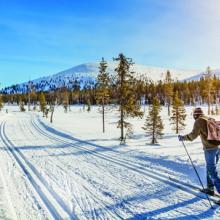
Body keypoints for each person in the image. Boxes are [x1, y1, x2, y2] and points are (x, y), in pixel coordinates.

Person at [178, 107, 220, 196]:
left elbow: (193, 135)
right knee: (210, 169)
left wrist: (183, 138)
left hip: (210, 150)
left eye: (194, 115)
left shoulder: (199, 121)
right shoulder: (208, 118)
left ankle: (213, 189)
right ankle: (210, 188)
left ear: (195, 115)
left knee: (212, 172)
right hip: (217, 147)